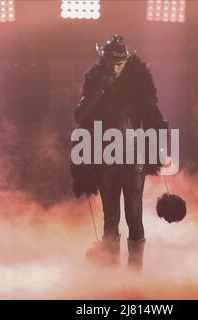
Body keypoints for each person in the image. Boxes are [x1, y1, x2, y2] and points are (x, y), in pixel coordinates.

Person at [72, 35, 168, 272]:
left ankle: (135, 275)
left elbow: (152, 114)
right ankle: (109, 273)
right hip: (105, 156)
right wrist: (100, 89)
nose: (115, 66)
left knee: (133, 214)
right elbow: (80, 117)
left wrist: (156, 144)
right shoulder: (95, 81)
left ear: (127, 60)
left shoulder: (139, 82)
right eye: (111, 60)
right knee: (110, 216)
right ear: (103, 59)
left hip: (133, 155)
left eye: (120, 62)